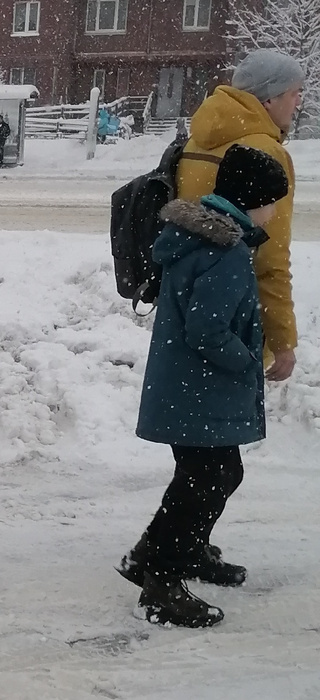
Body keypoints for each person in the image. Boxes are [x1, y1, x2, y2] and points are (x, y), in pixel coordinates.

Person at [120, 145, 290, 628]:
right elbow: (208, 330)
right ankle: (162, 583)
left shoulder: (199, 238)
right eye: (275, 200)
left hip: (186, 390)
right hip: (201, 391)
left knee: (216, 475)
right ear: (256, 200)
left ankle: (163, 554)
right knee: (205, 481)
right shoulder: (227, 254)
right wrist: (249, 362)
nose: (277, 210)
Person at [176, 48, 305, 384]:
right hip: (236, 313)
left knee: (194, 417)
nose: (298, 103)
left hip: (185, 301)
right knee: (224, 420)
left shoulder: (199, 139)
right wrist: (282, 339)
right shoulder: (266, 152)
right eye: (294, 93)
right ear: (269, 100)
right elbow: (270, 258)